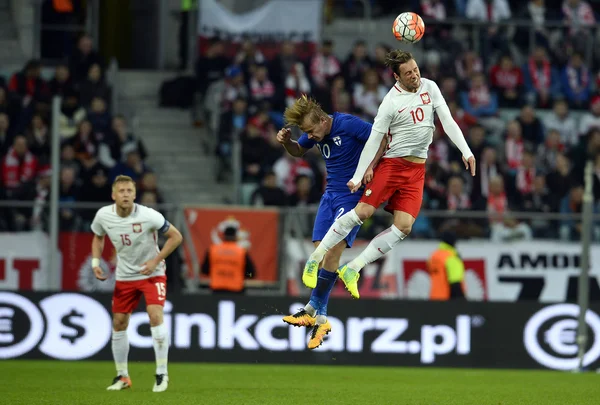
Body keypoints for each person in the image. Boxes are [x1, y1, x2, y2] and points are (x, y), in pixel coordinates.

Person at [302, 49, 476, 299]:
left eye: (415, 70)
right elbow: (374, 141)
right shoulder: (390, 103)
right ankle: (315, 258)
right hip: (393, 164)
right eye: (408, 73)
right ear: (397, 77)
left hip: (417, 170)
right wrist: (359, 175)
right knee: (363, 212)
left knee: (404, 227)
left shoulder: (430, 87)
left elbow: (447, 121)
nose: (415, 76)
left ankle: (353, 268)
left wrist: (466, 151)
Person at [276, 95, 373, 349]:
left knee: (330, 253)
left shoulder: (348, 124)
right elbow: (298, 151)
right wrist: (288, 143)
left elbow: (379, 139)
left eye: (310, 130)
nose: (310, 136)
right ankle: (321, 319)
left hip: (351, 198)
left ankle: (310, 308)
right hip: (329, 196)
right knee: (320, 248)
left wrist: (371, 168)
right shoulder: (316, 131)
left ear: (322, 120)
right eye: (306, 132)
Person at [91, 175, 183, 392]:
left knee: (155, 315)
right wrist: (96, 261)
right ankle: (122, 377)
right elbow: (98, 236)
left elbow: (176, 237)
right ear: (113, 195)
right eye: (121, 191)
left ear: (134, 194)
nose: (125, 195)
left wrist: (155, 261)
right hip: (125, 276)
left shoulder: (149, 215)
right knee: (119, 322)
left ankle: (162, 373)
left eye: (129, 191)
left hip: (152, 273)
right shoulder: (103, 215)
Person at [201, 225, 255, 292]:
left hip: (216, 290)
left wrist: (218, 273)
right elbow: (251, 273)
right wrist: (242, 274)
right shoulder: (241, 252)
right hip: (236, 290)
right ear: (235, 237)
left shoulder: (213, 250)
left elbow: (204, 270)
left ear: (223, 236)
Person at [427, 232, 466, 300]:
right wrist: (461, 301)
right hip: (448, 300)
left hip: (434, 298)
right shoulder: (451, 256)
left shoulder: (433, 256)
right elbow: (455, 282)